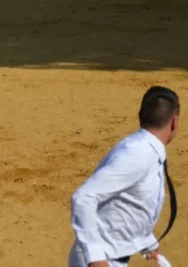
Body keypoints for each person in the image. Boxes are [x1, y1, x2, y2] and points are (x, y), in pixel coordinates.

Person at [68, 86, 180, 267]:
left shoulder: (142, 147)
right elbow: (83, 197)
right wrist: (95, 256)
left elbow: (130, 202)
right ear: (174, 122)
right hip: (100, 260)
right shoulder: (138, 154)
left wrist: (144, 239)